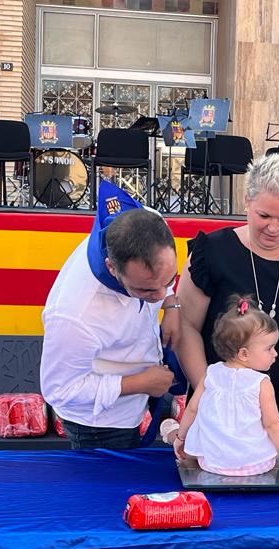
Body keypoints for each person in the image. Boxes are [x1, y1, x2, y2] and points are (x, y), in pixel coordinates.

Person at [175, 153, 279, 448]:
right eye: (264, 216)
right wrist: (209, 386)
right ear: (247, 201)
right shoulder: (211, 252)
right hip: (220, 407)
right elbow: (185, 326)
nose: (273, 228)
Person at [40, 183, 179, 449]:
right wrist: (139, 383)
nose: (159, 295)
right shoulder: (75, 314)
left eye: (168, 279)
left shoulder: (148, 220)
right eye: (146, 290)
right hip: (98, 425)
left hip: (137, 401)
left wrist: (172, 303)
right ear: (111, 268)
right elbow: (59, 390)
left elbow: (161, 284)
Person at [162, 295, 279, 480]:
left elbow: (192, 409)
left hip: (211, 463)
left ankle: (171, 431)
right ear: (244, 353)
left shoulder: (211, 373)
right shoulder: (261, 383)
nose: (275, 354)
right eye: (270, 348)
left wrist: (181, 439)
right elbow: (272, 424)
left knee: (197, 428)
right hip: (257, 465)